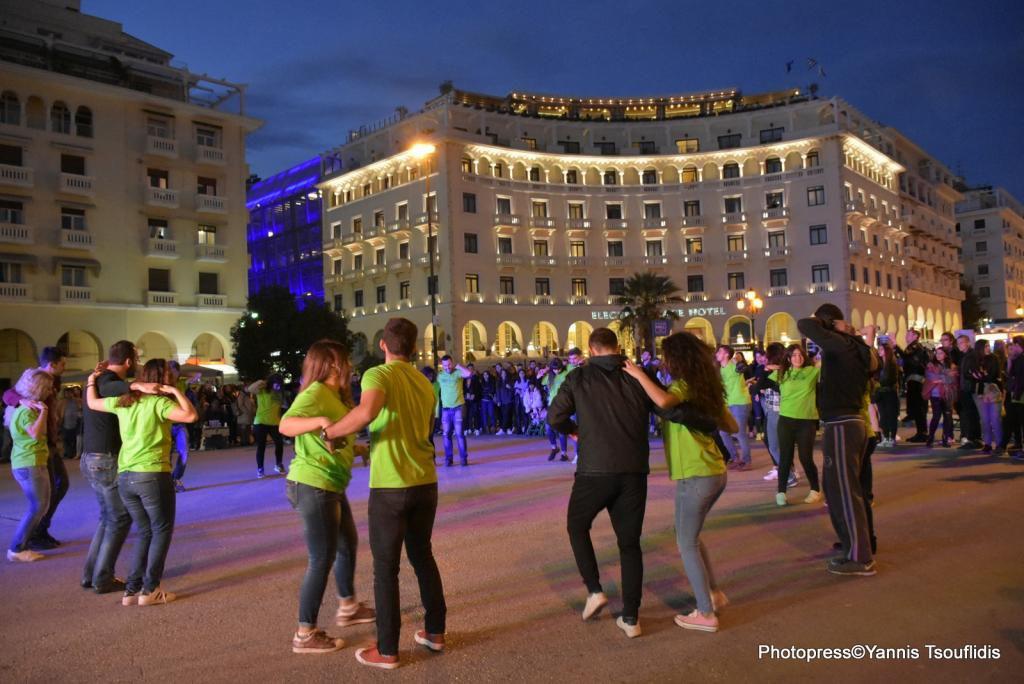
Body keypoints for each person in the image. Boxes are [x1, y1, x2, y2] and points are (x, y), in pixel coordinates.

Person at [548, 327, 717, 639]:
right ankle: (631, 617)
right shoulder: (638, 375)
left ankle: (594, 589)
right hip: (634, 472)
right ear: (616, 347)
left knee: (576, 525)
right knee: (629, 544)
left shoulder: (578, 377)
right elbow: (669, 409)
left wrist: (575, 431)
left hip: (594, 471)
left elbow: (554, 416)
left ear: (591, 349)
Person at [324, 318, 447, 670]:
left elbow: (367, 411)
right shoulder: (425, 383)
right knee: (423, 556)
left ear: (383, 345)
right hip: (425, 481)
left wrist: (332, 432)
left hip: (391, 485)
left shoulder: (379, 375)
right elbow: (417, 429)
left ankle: (388, 649)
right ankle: (435, 631)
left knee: (385, 568)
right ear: (414, 348)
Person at [623, 332, 736, 632]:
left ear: (678, 360)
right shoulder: (704, 389)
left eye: (666, 356)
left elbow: (661, 399)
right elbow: (732, 425)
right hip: (714, 471)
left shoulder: (683, 386)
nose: (662, 361)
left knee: (685, 542)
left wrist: (637, 373)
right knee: (693, 537)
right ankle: (713, 594)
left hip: (696, 474)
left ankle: (705, 613)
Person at [279, 340, 375, 655]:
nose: (350, 364)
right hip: (313, 485)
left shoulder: (335, 395)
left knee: (347, 543)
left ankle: (347, 606)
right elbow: (287, 424)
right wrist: (320, 422)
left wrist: (359, 449)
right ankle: (305, 632)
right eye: (345, 360)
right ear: (333, 363)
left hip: (330, 484)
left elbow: (338, 437)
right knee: (321, 558)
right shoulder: (316, 393)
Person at [85, 359, 198, 604]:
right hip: (153, 474)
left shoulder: (124, 402)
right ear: (163, 379)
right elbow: (190, 415)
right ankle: (150, 590)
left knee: (144, 531)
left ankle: (132, 590)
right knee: (161, 530)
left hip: (126, 476)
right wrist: (176, 392)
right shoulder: (159, 403)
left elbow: (92, 402)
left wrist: (91, 380)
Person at [798, 304, 878, 577]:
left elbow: (805, 325)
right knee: (835, 489)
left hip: (844, 423)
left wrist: (832, 325)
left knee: (845, 491)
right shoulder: (858, 347)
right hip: (846, 422)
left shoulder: (842, 345)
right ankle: (852, 545)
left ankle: (860, 556)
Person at [79, 340, 148, 593]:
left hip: (92, 458)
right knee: (119, 517)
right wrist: (137, 385)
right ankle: (102, 578)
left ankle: (91, 574)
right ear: (129, 361)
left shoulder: (97, 378)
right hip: (105, 459)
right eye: (136, 362)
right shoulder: (107, 380)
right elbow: (115, 387)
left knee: (107, 517)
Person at [3, 346, 68, 549]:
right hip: (37, 447)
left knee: (61, 485)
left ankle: (40, 528)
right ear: (52, 364)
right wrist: (22, 400)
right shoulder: (34, 380)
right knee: (43, 496)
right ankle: (36, 532)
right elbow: (8, 394)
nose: (65, 367)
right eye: (62, 364)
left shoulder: (53, 382)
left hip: (48, 443)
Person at [6, 368, 54, 562]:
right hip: (29, 463)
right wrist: (44, 411)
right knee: (37, 506)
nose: (50, 391)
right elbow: (35, 433)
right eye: (48, 388)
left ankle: (21, 545)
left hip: (29, 461)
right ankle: (16, 548)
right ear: (39, 389)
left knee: (41, 505)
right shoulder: (27, 411)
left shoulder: (24, 408)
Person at [771, 344, 823, 507]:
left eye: (800, 355)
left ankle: (815, 490)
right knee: (785, 458)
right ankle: (781, 492)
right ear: (788, 358)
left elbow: (826, 357)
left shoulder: (812, 371)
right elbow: (763, 379)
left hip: (806, 420)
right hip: (786, 419)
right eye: (793, 355)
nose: (797, 358)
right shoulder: (782, 373)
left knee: (805, 457)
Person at [715, 345, 752, 469]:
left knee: (740, 433)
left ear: (726, 354)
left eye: (720, 351)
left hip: (740, 402)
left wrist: (737, 361)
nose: (717, 353)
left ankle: (746, 461)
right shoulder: (720, 369)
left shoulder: (734, 366)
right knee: (723, 432)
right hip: (728, 404)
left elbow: (743, 368)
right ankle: (735, 458)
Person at [437, 356, 472, 465]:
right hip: (446, 409)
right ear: (442, 365)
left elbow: (469, 374)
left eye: (449, 365)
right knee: (446, 434)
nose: (447, 367)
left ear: (452, 363)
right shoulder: (440, 375)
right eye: (445, 365)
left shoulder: (458, 372)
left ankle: (463, 458)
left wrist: (458, 366)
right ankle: (449, 458)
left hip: (458, 407)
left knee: (459, 434)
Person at [249, 374, 286, 478]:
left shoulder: (279, 394)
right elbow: (250, 389)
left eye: (279, 384)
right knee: (261, 446)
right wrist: (262, 382)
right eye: (276, 383)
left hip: (275, 422)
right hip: (261, 422)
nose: (278, 386)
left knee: (279, 443)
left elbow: (281, 407)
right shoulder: (262, 390)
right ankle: (260, 469)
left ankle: (278, 464)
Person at [971, 339, 1003, 454]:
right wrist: (981, 375)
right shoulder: (975, 359)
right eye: (986, 346)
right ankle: (987, 443)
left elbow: (993, 375)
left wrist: (981, 375)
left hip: (993, 390)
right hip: (979, 392)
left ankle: (1000, 444)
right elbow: (971, 374)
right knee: (984, 420)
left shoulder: (994, 358)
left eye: (989, 345)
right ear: (979, 348)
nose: (988, 348)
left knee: (995, 419)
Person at [923, 347, 958, 448]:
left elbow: (953, 377)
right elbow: (931, 377)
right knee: (936, 416)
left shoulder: (952, 365)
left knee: (947, 417)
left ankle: (945, 439)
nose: (938, 355)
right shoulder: (931, 365)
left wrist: (942, 378)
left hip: (948, 394)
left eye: (940, 353)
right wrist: (946, 377)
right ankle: (930, 438)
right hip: (935, 394)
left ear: (946, 354)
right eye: (937, 353)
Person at [539, 358, 571, 461]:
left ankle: (564, 453)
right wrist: (541, 373)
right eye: (554, 369)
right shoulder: (550, 376)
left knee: (561, 430)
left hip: (563, 405)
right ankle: (554, 447)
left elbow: (572, 367)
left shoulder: (566, 373)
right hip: (551, 405)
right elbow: (541, 381)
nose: (557, 371)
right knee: (548, 428)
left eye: (558, 369)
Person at [900, 330, 930, 442]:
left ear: (915, 336)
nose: (906, 336)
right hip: (915, 380)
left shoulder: (914, 346)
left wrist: (895, 346)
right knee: (918, 408)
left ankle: (922, 433)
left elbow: (907, 357)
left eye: (908, 334)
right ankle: (921, 432)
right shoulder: (915, 347)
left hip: (916, 380)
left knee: (919, 408)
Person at [997, 337, 1024, 460]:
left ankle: (1010, 446)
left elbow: (1019, 379)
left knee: (1015, 421)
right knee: (1011, 420)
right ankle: (1012, 445)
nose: (1012, 349)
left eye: (1014, 346)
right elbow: (1010, 376)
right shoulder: (1015, 359)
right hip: (1014, 396)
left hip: (1018, 395)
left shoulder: (1021, 359)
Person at [167, 361, 190, 493]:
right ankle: (168, 481)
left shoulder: (181, 383)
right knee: (167, 454)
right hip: (167, 423)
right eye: (168, 370)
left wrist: (180, 373)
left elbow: (197, 375)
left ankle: (176, 478)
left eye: (173, 370)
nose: (171, 373)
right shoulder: (162, 385)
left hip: (180, 423)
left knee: (184, 451)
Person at [874, 340, 901, 448]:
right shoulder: (879, 364)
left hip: (889, 393)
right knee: (883, 416)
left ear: (886, 351)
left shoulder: (892, 364)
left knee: (891, 416)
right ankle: (885, 437)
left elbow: (891, 379)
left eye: (881, 349)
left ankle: (892, 438)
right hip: (881, 393)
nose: (879, 351)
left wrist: (879, 382)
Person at [957, 335, 982, 448]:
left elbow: (973, 372)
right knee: (970, 414)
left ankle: (974, 439)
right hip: (965, 387)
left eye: (961, 342)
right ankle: (973, 438)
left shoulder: (971, 355)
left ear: (968, 343)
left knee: (971, 414)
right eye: (958, 343)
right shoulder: (965, 355)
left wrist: (968, 375)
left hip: (969, 388)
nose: (959, 345)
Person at [60, 386, 82, 460]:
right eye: (66, 393)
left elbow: (80, 409)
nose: (68, 395)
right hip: (65, 423)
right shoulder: (63, 402)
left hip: (75, 423)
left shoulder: (78, 401)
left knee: (74, 440)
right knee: (66, 440)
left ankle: (73, 453)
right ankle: (67, 453)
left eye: (69, 393)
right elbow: (60, 412)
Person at [463, 364, 481, 436]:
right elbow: (462, 389)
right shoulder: (464, 379)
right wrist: (465, 394)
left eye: (471, 368)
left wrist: (475, 395)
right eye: (469, 368)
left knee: (475, 414)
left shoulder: (476, 378)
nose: (470, 370)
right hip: (466, 400)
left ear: (473, 369)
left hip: (474, 400)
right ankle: (466, 429)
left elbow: (479, 389)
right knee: (466, 415)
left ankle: (477, 429)